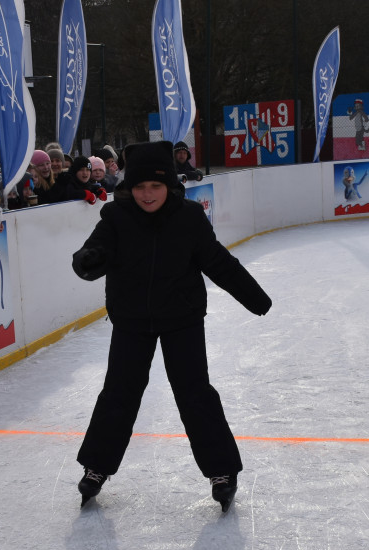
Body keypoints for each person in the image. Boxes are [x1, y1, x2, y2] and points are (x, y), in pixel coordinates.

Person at [70, 141, 272, 511]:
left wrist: (255, 298)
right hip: (132, 320)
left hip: (182, 319)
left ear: (170, 187)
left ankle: (222, 470)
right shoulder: (116, 218)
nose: (148, 194)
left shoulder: (189, 217)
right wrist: (88, 260)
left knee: (195, 392)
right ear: (129, 188)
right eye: (140, 187)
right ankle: (96, 467)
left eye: (156, 186)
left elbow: (218, 262)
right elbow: (93, 253)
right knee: (119, 392)